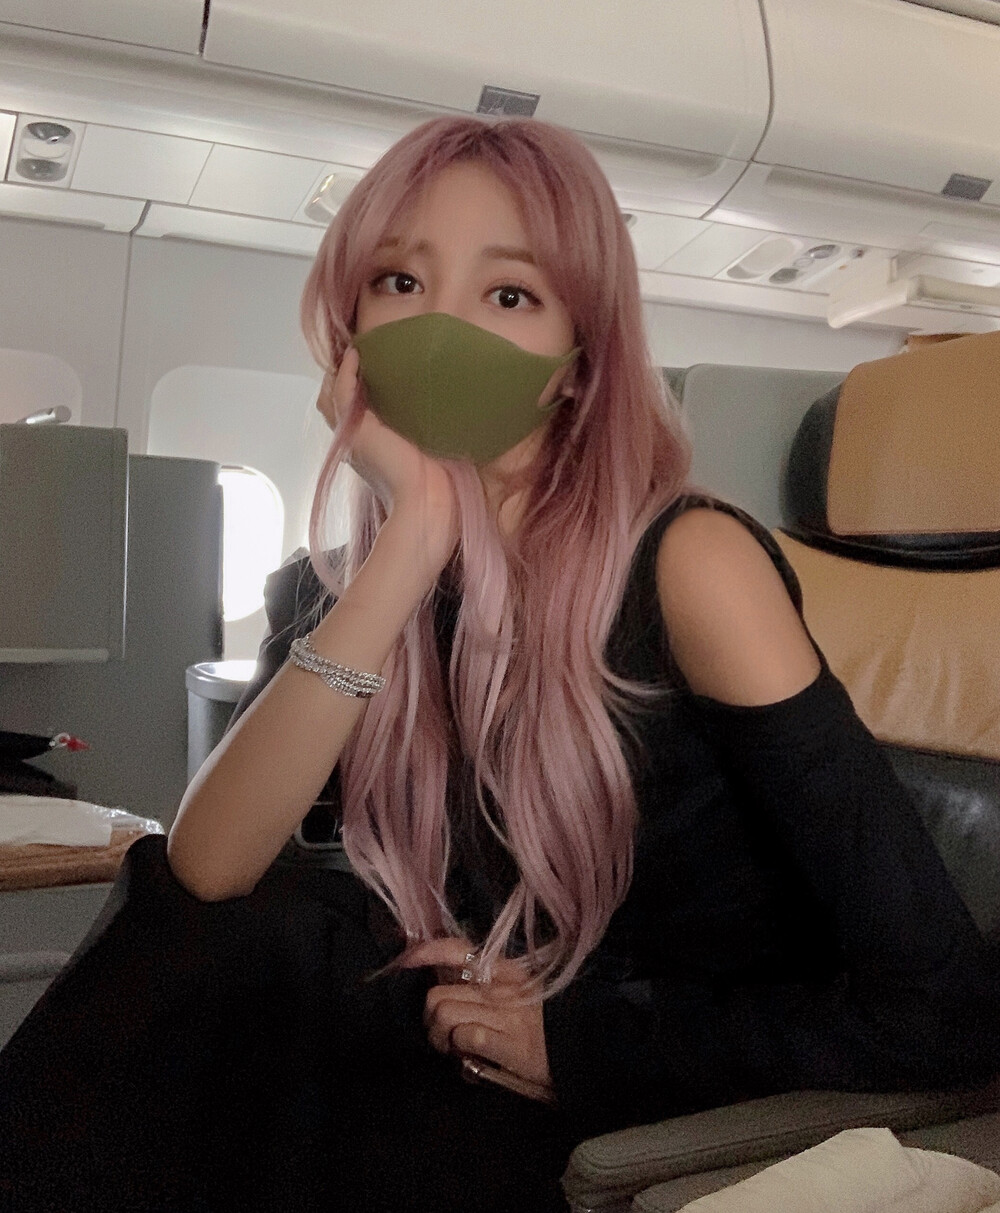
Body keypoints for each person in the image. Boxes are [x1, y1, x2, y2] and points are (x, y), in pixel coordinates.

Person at [1, 116, 998, 1213]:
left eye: (509, 294)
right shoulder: (357, 580)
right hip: (484, 1026)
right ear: (347, 334)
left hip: (656, 1076)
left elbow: (941, 1003)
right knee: (237, 943)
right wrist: (412, 542)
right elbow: (204, 873)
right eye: (399, 281)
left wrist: (580, 1038)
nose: (443, 327)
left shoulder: (692, 565)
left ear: (579, 363)